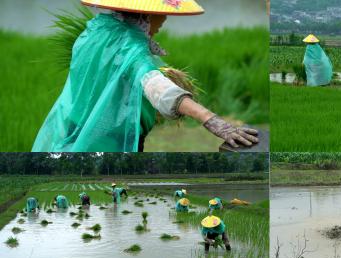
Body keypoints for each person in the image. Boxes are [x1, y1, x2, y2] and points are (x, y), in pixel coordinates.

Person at [32, 0, 258, 152]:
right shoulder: (131, 49)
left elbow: (106, 79)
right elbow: (158, 88)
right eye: (163, 15)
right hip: (104, 140)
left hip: (70, 125)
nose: (164, 22)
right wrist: (213, 121)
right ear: (147, 14)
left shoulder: (93, 30)